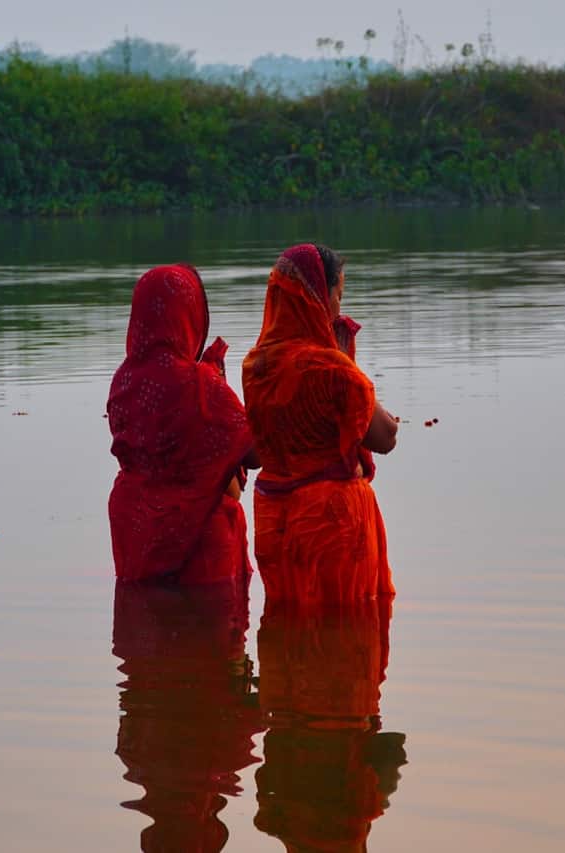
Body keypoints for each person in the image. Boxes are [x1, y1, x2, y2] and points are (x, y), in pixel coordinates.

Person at [242, 244, 399, 604]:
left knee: (288, 638)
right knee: (344, 636)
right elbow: (385, 436)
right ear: (317, 298)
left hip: (273, 520)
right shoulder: (330, 368)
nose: (338, 308)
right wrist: (346, 361)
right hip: (329, 525)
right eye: (338, 295)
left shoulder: (255, 366)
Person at [107, 264, 258, 584]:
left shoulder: (123, 380)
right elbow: (257, 451)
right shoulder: (199, 384)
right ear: (190, 317)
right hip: (198, 546)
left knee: (142, 626)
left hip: (135, 532)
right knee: (209, 629)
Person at [112, 576, 263, 850]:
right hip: (206, 618)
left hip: (152, 627)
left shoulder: (135, 758)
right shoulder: (222, 763)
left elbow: (130, 699)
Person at [254, 598, 407, 851]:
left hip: (310, 676)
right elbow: (393, 748)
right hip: (333, 682)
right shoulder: (280, 817)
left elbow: (393, 747)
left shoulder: (281, 817)